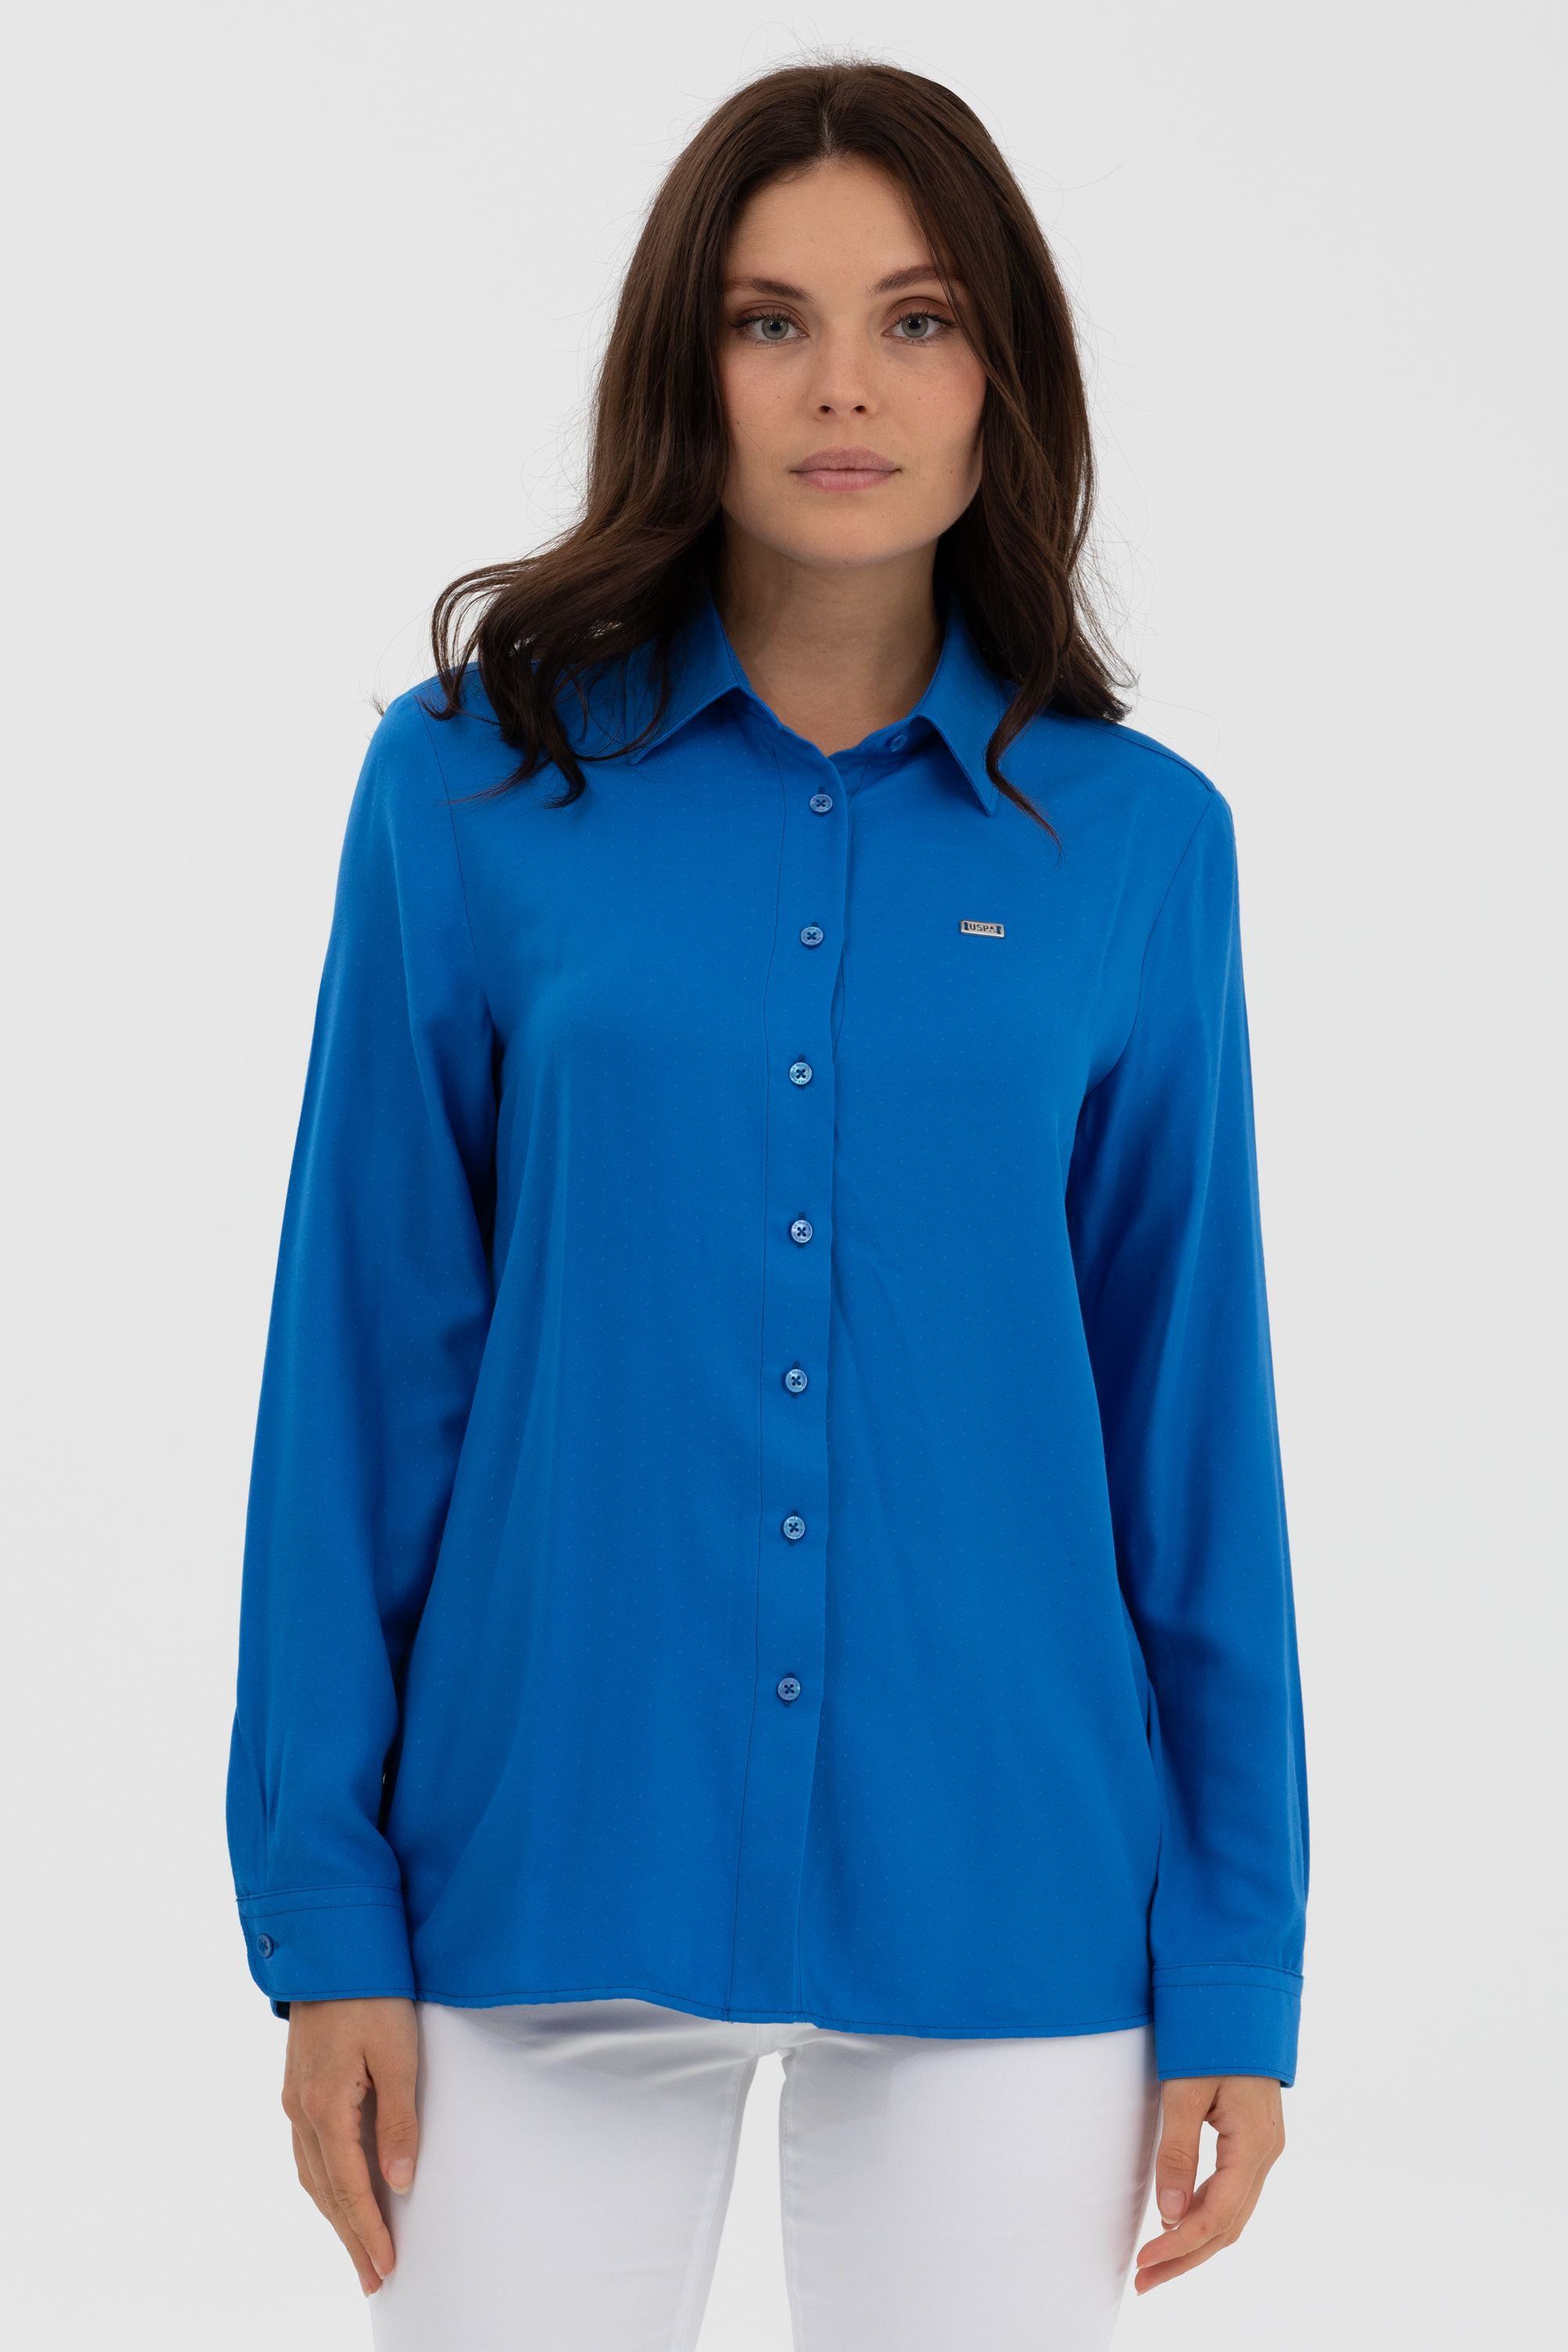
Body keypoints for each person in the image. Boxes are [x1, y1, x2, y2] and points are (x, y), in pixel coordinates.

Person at [227, 58, 1307, 2352]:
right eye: (768, 321)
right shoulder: (472, 791)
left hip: (1011, 1893)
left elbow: (1187, 1419)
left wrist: (1236, 1955)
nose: (842, 387)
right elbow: (360, 1367)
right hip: (538, 1871)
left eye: (916, 321)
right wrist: (325, 1914)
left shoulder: (1136, 846)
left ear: (1001, 377)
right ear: (683, 367)